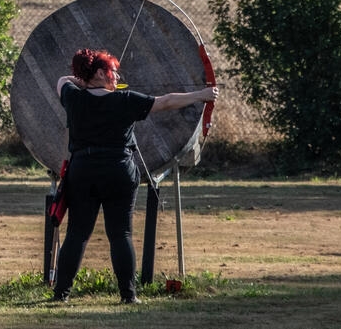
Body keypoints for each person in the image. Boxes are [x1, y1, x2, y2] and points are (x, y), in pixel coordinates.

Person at [52, 48, 218, 304]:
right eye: (112, 71)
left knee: (76, 233)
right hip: (118, 169)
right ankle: (128, 296)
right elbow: (166, 101)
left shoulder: (74, 97)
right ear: (99, 72)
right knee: (120, 234)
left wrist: (83, 81)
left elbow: (62, 80)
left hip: (83, 170)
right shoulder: (125, 100)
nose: (117, 76)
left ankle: (60, 294)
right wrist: (203, 95)